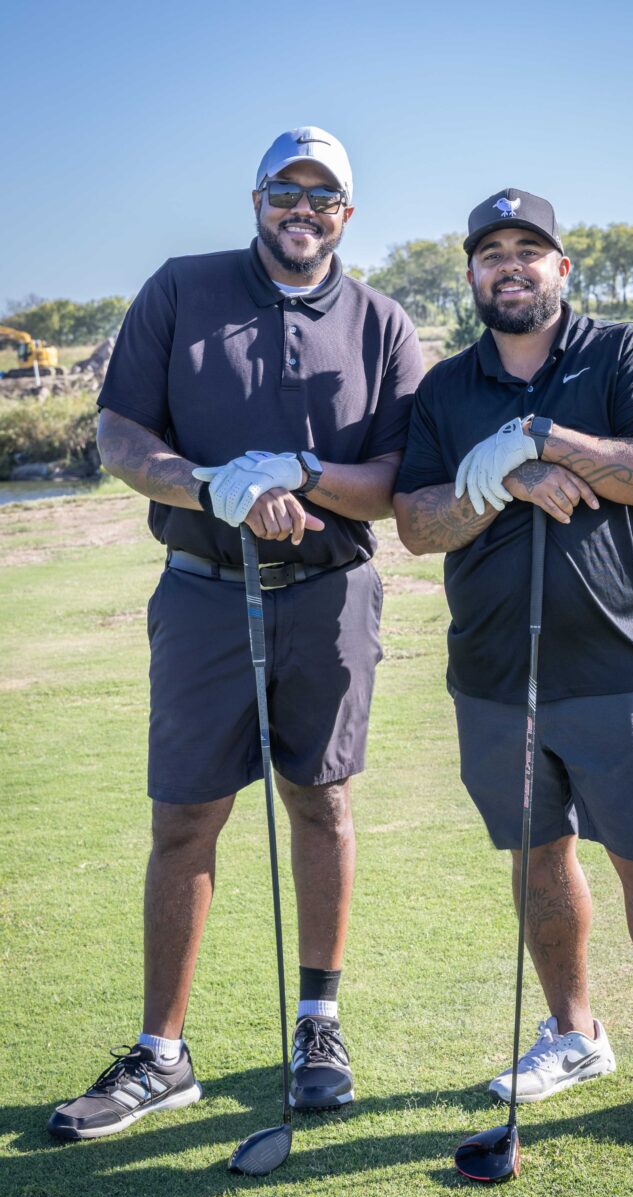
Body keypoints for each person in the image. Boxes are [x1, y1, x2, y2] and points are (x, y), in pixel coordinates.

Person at [48, 126, 423, 1141]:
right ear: (256, 200)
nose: (302, 209)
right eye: (283, 191)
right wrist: (211, 485)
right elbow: (121, 433)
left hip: (330, 597)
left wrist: (300, 473)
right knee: (184, 819)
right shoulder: (181, 288)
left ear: (346, 212)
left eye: (322, 195)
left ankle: (318, 1027)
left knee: (322, 803)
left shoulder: (382, 322)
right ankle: (162, 1054)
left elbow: (396, 486)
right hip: (204, 594)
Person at [393, 188, 633, 1145]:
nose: (511, 264)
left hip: (618, 663)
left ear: (561, 268)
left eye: (528, 249)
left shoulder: (623, 354)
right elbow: (416, 525)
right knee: (537, 858)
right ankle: (575, 1036)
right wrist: (503, 480)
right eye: (491, 251)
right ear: (471, 274)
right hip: (494, 673)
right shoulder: (445, 390)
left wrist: (543, 437)